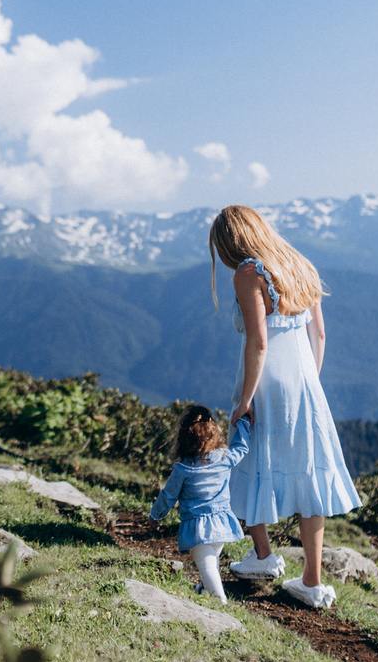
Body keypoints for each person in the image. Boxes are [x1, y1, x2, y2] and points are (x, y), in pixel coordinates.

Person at [209, 205, 361, 609]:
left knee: (247, 457)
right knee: (309, 471)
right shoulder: (299, 264)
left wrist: (245, 400)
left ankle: (263, 555)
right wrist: (311, 381)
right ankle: (311, 580)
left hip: (266, 382)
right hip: (306, 382)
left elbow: (258, 342)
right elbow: (321, 333)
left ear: (230, 241)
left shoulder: (247, 273)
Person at [149, 405, 252, 601]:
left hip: (197, 527)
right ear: (214, 435)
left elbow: (168, 496)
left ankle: (220, 600)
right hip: (222, 524)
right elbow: (242, 447)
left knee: (207, 566)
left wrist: (156, 515)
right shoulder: (224, 457)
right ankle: (203, 589)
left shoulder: (182, 469)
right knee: (211, 563)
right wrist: (243, 421)